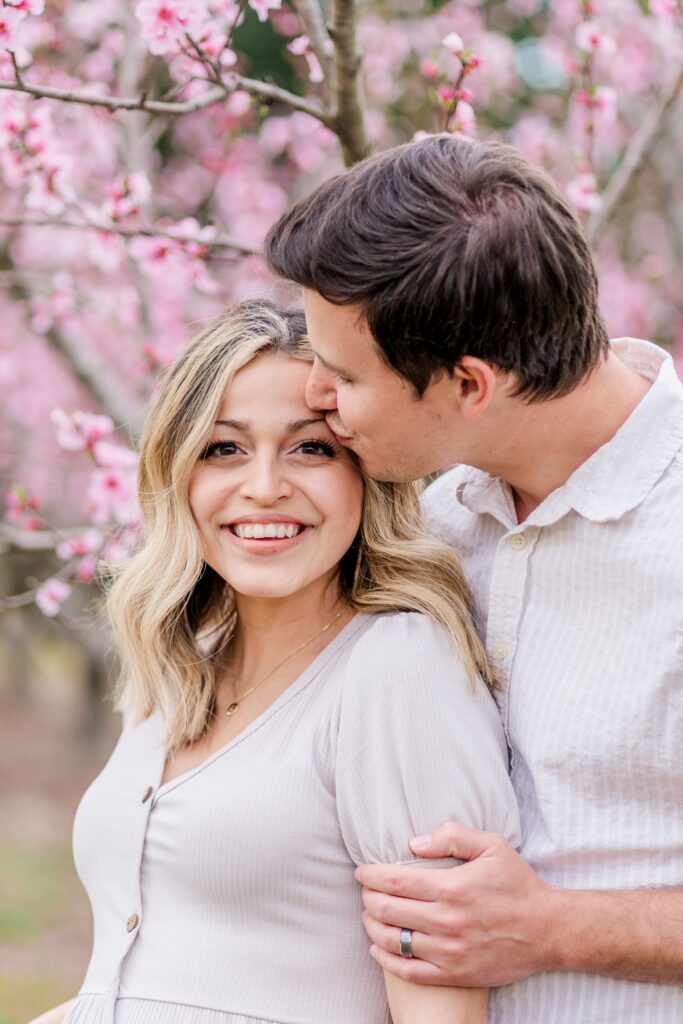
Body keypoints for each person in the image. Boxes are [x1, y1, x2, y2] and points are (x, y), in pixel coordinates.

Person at [264, 134, 683, 1022]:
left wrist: (556, 928)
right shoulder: (431, 525)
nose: (312, 394)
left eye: (342, 373)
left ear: (468, 384)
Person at [31, 300, 520, 1024]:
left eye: (310, 448)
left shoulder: (397, 667)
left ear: (367, 474)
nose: (263, 485)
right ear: (179, 471)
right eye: (224, 448)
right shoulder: (182, 668)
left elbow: (441, 1009)